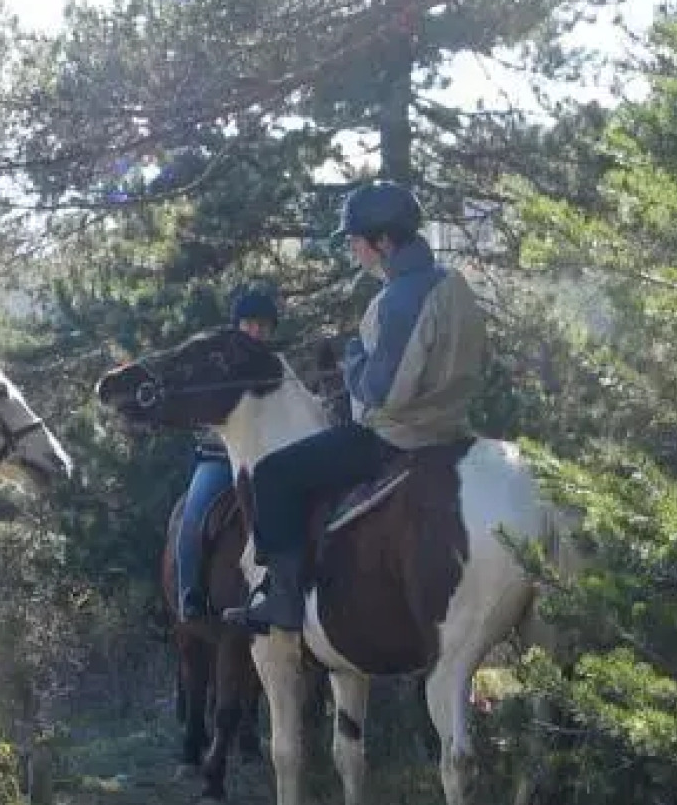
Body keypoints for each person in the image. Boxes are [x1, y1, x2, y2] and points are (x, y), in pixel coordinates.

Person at [224, 180, 489, 634]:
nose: (353, 250)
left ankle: (284, 600)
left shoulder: (400, 297)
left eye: (356, 241)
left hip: (394, 435)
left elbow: (379, 391)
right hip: (454, 428)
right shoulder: (456, 284)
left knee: (273, 473)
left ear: (383, 241)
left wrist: (353, 359)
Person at [176, 290, 279, 621]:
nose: (256, 332)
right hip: (220, 458)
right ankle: (190, 592)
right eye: (250, 324)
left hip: (270, 461)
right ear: (236, 327)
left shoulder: (280, 369)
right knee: (193, 516)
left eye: (263, 325)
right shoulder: (215, 369)